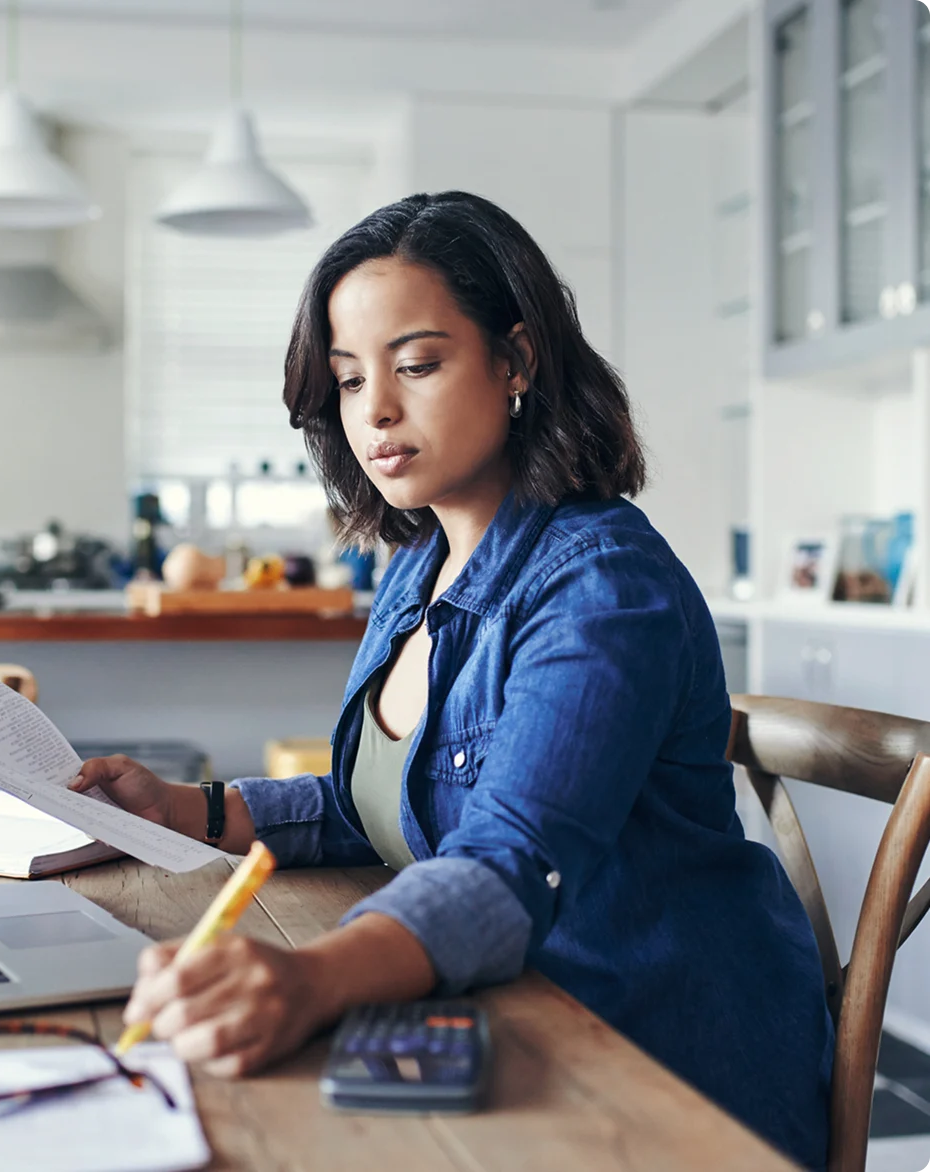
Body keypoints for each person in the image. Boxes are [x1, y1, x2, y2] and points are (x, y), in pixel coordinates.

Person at [70, 191, 832, 1169]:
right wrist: (191, 810)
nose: (375, 410)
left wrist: (308, 979)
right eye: (348, 381)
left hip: (653, 1063)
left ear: (515, 360)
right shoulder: (415, 567)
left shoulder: (602, 585)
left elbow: (509, 854)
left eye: (417, 364)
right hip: (510, 1016)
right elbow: (386, 806)